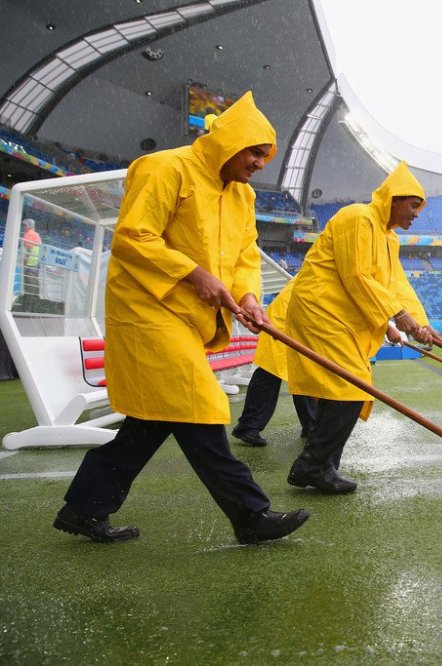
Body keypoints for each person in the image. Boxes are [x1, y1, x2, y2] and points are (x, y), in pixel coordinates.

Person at [54, 92, 309, 545]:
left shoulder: (243, 195)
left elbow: (245, 253)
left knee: (152, 420)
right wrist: (193, 275)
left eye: (265, 155)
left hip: (188, 318)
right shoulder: (165, 167)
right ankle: (251, 514)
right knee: (201, 404)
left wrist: (248, 295)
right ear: (229, 143)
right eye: (254, 152)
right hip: (147, 309)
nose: (259, 163)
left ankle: (84, 507)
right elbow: (134, 237)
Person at [284, 162, 434, 494]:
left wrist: (420, 323)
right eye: (413, 205)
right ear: (395, 199)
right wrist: (397, 315)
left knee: (342, 389)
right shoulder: (358, 218)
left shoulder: (388, 239)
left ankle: (322, 467)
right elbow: (357, 275)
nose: (416, 214)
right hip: (321, 311)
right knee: (353, 387)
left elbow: (397, 285)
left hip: (341, 317)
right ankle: (312, 465)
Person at [231, 278, 317, 447]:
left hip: (295, 323)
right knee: (272, 373)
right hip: (284, 323)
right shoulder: (327, 271)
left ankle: (311, 426)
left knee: (300, 375)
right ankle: (248, 426)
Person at [20, 218, 41, 298]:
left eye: (25, 225)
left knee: (29, 285)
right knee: (34, 283)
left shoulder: (29, 233)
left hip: (30, 264)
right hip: (35, 264)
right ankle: (34, 300)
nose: (24, 227)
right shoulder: (36, 234)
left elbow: (29, 248)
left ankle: (29, 302)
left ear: (30, 226)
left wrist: (25, 261)